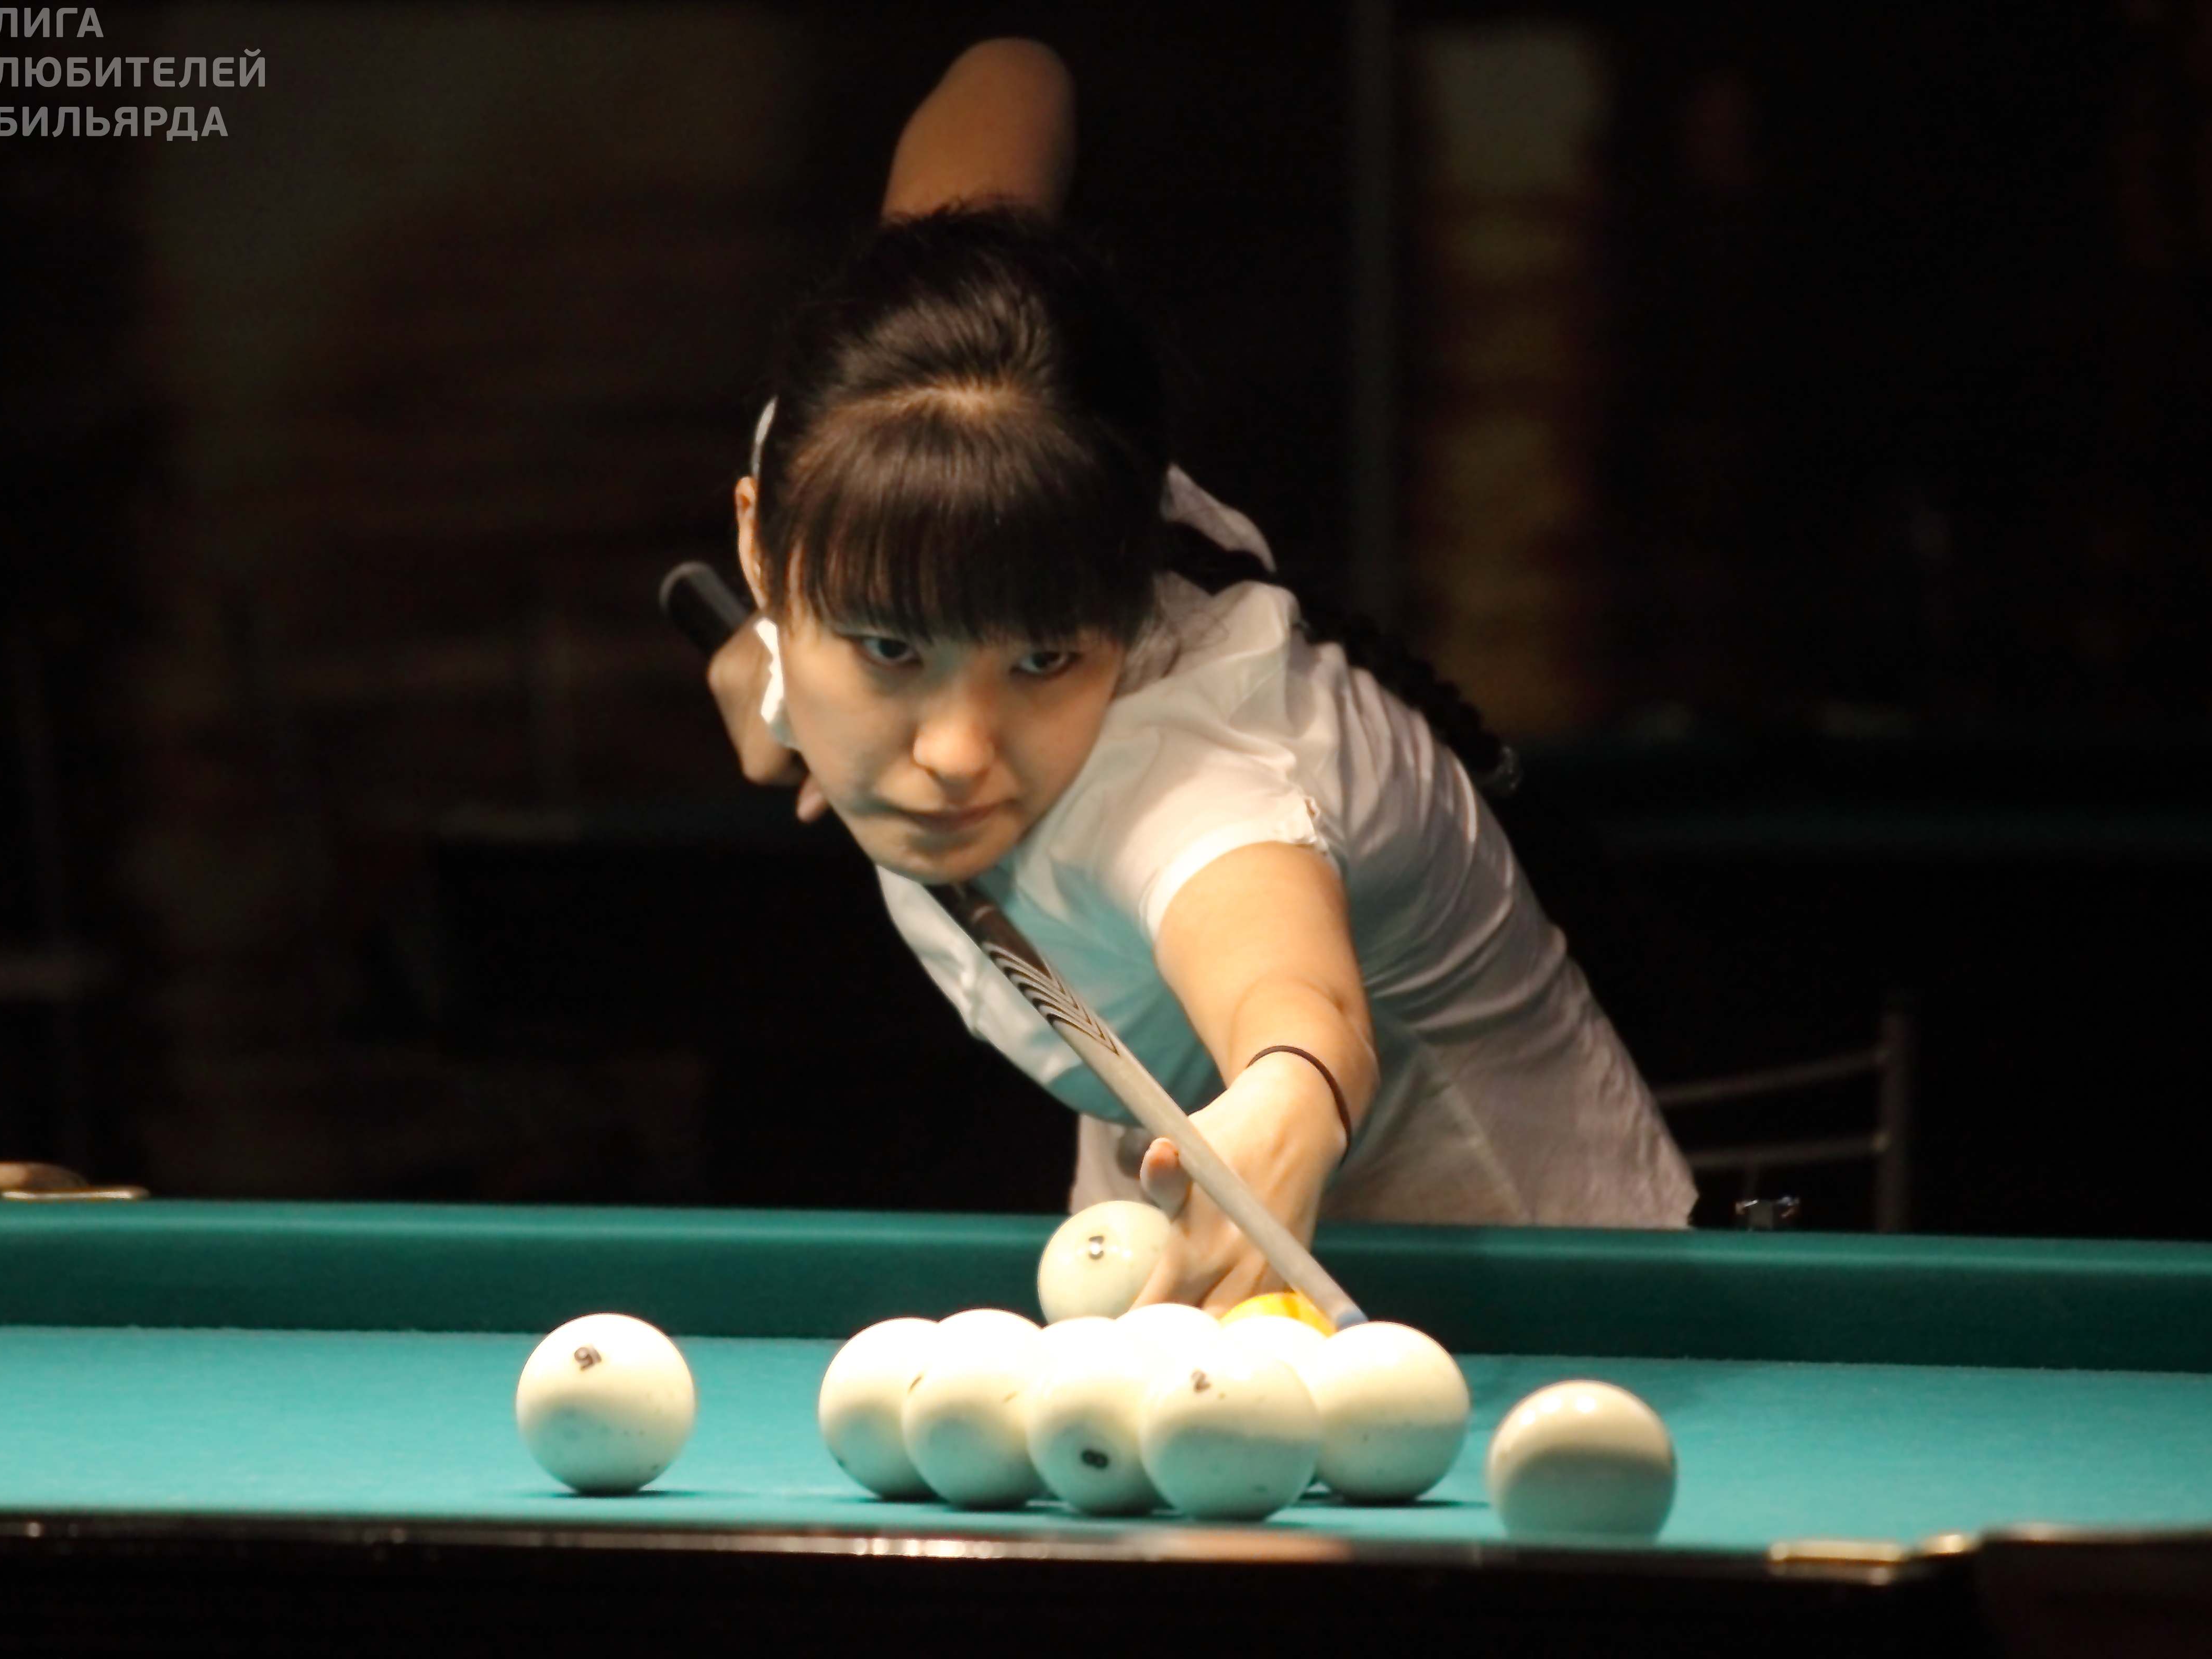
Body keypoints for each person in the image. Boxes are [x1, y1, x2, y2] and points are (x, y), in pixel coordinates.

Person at [704, 41, 1695, 1311]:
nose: (955, 753)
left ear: (1124, 599)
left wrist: (1290, 1090)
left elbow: (1288, 987)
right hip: (1167, 1225)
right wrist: (769, 652)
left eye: (1046, 659)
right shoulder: (894, 409)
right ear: (762, 542)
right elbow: (1011, 80)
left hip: (1524, 1302)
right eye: (890, 647)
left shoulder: (1191, 773)